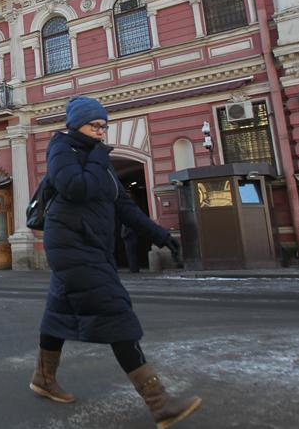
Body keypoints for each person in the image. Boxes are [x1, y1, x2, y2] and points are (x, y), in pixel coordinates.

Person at [30, 96, 200, 428]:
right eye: (95, 126)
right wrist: (97, 155)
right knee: (115, 311)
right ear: (76, 124)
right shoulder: (62, 148)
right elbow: (76, 188)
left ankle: (43, 378)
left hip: (92, 246)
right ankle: (160, 403)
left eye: (103, 127)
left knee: (59, 312)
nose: (100, 132)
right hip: (69, 245)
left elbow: (124, 206)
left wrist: (161, 235)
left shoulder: (99, 160)